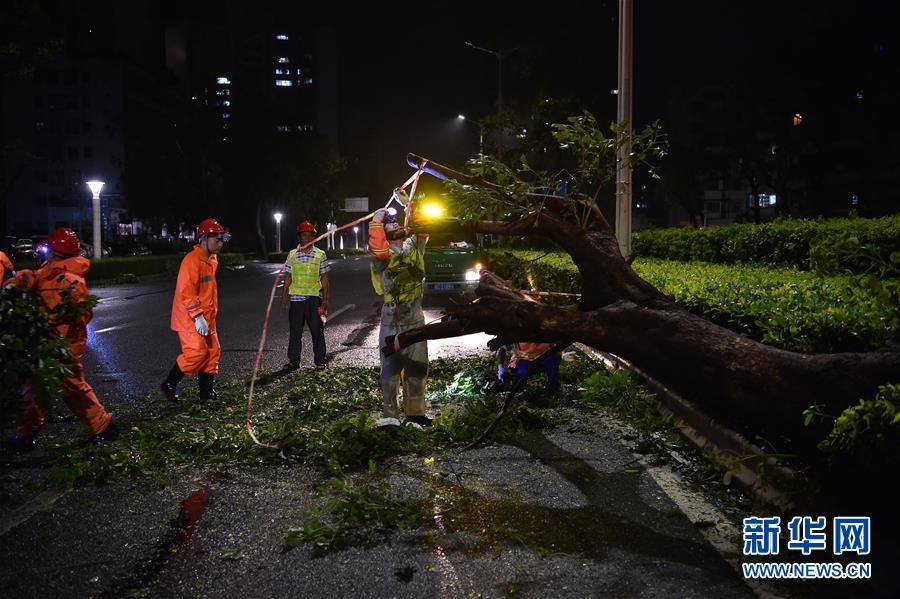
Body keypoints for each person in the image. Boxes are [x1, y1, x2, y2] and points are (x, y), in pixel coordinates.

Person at [4, 227, 116, 449]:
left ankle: (104, 427)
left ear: (55, 252)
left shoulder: (71, 281)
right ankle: (27, 433)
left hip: (63, 345)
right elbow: (34, 278)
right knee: (33, 388)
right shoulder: (53, 272)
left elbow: (79, 315)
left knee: (72, 388)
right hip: (47, 343)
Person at [370, 193, 432, 427]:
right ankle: (390, 416)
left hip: (415, 316)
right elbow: (377, 248)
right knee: (390, 372)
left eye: (397, 222)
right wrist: (376, 220)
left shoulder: (413, 246)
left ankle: (415, 414)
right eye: (390, 224)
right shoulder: (382, 256)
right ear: (385, 234)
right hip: (391, 319)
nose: (395, 225)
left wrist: (410, 205)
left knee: (417, 368)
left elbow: (422, 227)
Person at [160, 218, 230, 401]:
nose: (221, 243)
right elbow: (187, 292)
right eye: (217, 239)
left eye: (222, 239)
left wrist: (206, 316)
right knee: (196, 353)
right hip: (190, 318)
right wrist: (198, 316)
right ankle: (169, 384)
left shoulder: (211, 260)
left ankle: (206, 392)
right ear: (204, 239)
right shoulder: (192, 261)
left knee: (213, 351)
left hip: (207, 316)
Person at [281, 220, 329, 370]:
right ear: (299, 237)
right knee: (295, 333)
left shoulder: (320, 255)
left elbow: (325, 277)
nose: (307, 238)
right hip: (296, 300)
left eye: (309, 235)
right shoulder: (292, 255)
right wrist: (284, 296)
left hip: (314, 300)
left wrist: (326, 298)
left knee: (317, 330)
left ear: (313, 237)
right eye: (304, 235)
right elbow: (288, 276)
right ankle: (293, 361)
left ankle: (320, 360)